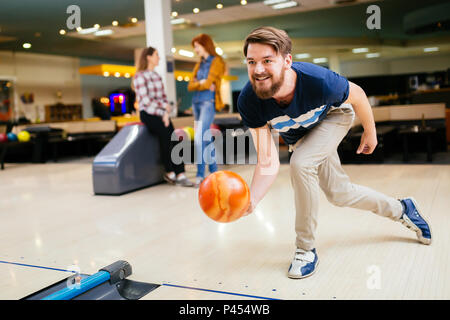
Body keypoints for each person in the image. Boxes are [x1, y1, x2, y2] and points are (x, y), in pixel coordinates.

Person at [237, 26, 432, 279]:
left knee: (300, 163)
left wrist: (370, 133)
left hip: (334, 117)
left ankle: (305, 249)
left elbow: (359, 95)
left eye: (267, 61)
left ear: (287, 61)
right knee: (340, 194)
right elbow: (267, 158)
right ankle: (403, 209)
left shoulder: (319, 81)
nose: (258, 69)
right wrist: (253, 198)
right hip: (303, 135)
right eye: (252, 62)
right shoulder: (249, 101)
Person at [133, 46, 193, 187]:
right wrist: (162, 113)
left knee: (174, 138)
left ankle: (180, 174)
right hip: (148, 114)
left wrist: (166, 113)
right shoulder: (140, 76)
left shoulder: (156, 76)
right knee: (166, 138)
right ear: (148, 57)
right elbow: (146, 101)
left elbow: (164, 99)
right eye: (156, 55)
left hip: (162, 115)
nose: (158, 57)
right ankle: (170, 172)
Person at [188, 34, 226, 187]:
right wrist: (200, 83)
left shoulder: (217, 62)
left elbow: (208, 83)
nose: (196, 50)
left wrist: (201, 82)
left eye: (197, 46)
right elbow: (190, 85)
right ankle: (214, 172)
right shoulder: (199, 64)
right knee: (205, 138)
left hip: (208, 103)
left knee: (199, 138)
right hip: (196, 103)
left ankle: (199, 175)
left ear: (205, 45)